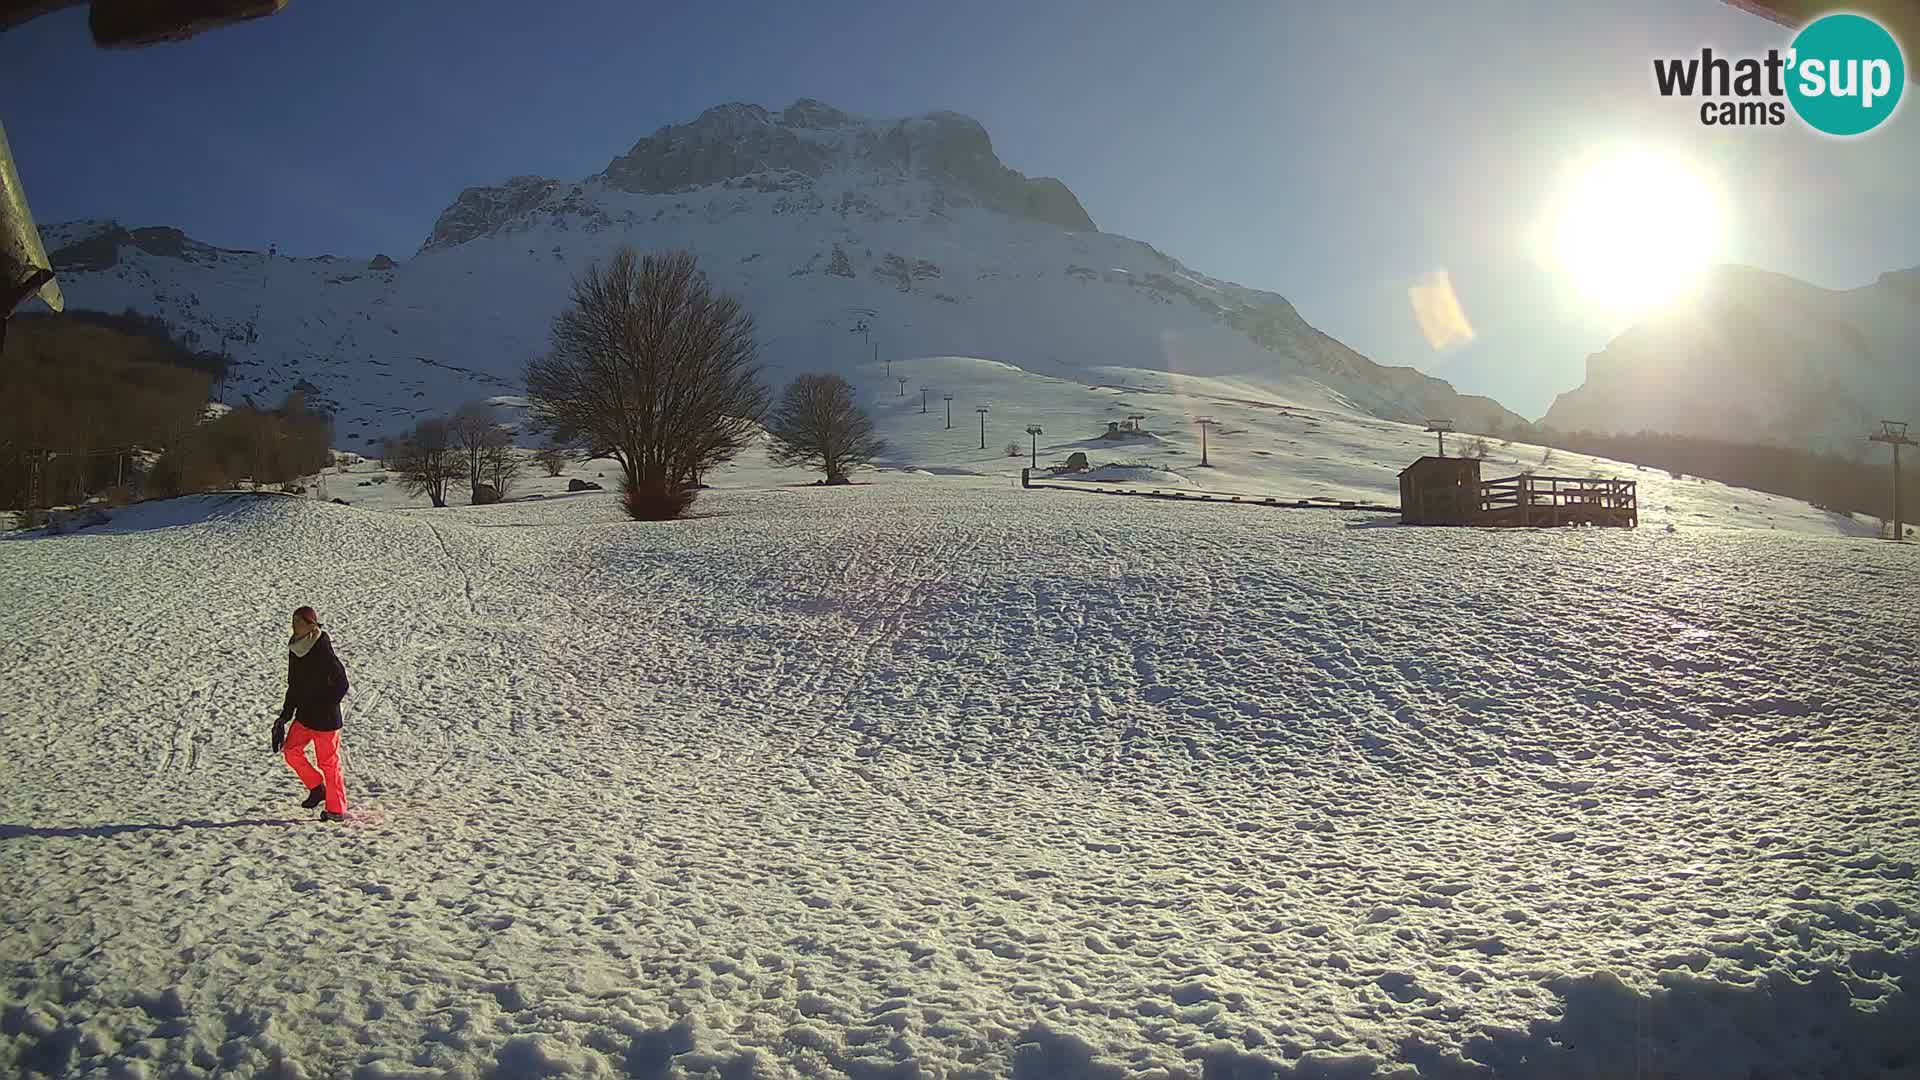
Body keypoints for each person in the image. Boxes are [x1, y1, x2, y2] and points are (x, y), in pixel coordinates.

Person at [275, 606, 350, 822]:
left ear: (311, 625)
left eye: (299, 622)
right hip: (305, 716)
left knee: (329, 762)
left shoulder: (322, 648)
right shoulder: (296, 648)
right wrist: (284, 716)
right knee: (291, 751)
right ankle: (317, 788)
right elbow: (294, 686)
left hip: (325, 720)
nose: (294, 626)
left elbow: (342, 684)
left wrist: (325, 705)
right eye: (293, 621)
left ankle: (336, 809)